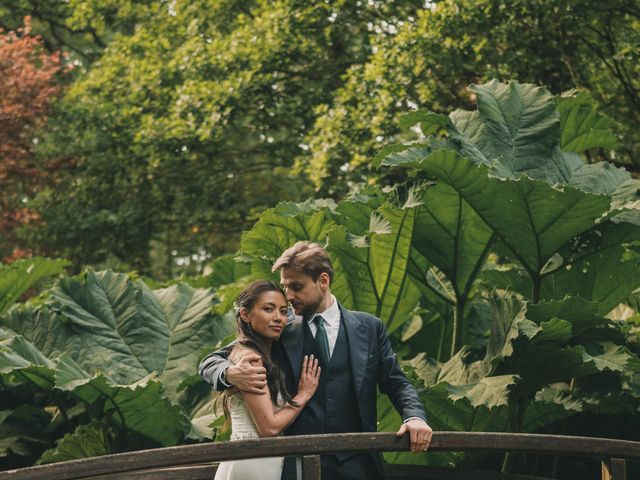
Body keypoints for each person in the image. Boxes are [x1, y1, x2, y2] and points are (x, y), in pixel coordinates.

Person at [200, 241, 432, 480]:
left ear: (323, 281)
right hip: (297, 463)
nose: (288, 296)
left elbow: (396, 382)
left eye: (296, 287)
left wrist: (414, 417)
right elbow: (212, 361)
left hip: (358, 463)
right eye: (285, 287)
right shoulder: (279, 327)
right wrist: (229, 374)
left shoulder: (370, 327)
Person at [213, 280, 321, 480]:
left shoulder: (254, 353)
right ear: (245, 315)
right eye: (268, 309)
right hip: (253, 460)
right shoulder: (251, 360)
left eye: (282, 311)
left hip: (256, 459)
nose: (278, 318)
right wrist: (303, 395)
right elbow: (269, 427)